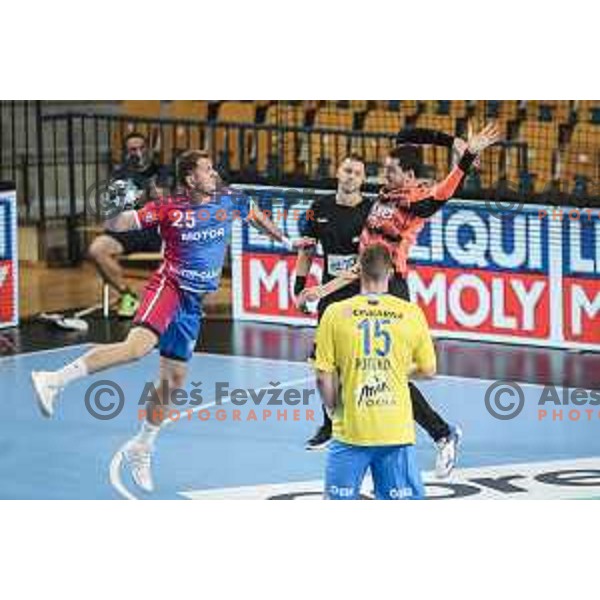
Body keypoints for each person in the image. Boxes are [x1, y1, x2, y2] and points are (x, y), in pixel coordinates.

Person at [32, 149, 312, 492]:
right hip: (170, 288)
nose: (214, 174)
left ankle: (142, 445)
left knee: (174, 380)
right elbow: (120, 224)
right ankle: (53, 379)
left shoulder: (228, 199)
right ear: (191, 178)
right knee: (136, 348)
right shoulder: (169, 209)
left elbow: (254, 215)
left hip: (193, 304)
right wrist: (116, 206)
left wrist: (285, 241)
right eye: (207, 170)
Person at [299, 122, 501, 476]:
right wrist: (449, 140)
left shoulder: (413, 199)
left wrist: (467, 155)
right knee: (361, 367)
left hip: (390, 289)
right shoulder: (385, 195)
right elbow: (406, 134)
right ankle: (356, 429)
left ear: (407, 174)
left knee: (388, 372)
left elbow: (444, 192)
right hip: (367, 285)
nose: (382, 172)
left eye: (390, 169)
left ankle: (443, 433)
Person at [314, 244, 435, 500]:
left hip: (350, 431)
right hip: (395, 431)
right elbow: (428, 369)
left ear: (359, 271)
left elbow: (323, 374)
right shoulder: (411, 313)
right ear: (390, 272)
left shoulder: (334, 313)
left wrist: (333, 407)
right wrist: (398, 370)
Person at [88, 131, 167, 317]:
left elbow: (163, 201)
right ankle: (127, 295)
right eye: (133, 149)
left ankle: (171, 302)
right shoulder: (120, 174)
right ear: (126, 152)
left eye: (141, 148)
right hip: (126, 229)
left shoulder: (161, 171)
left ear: (148, 149)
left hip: (153, 230)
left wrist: (149, 189)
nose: (137, 152)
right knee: (97, 249)